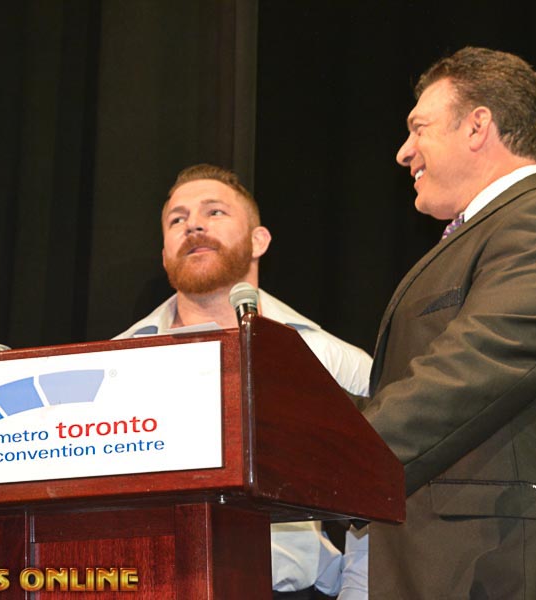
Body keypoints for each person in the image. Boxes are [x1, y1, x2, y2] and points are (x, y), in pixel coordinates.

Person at [354, 47, 536, 598]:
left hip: (522, 567)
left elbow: (463, 376)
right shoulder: (488, 235)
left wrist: (335, 461)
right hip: (463, 567)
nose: (403, 151)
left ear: (477, 126)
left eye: (419, 128)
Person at [114, 163, 373, 598]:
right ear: (163, 254)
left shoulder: (330, 360)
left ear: (259, 241)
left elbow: (380, 498)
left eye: (214, 212)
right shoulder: (113, 363)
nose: (193, 225)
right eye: (177, 219)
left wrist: (357, 593)